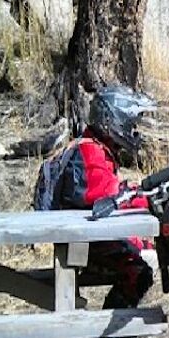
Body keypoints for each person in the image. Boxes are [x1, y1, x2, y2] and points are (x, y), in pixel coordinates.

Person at [53, 86, 158, 312]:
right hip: (82, 239)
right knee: (141, 264)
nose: (133, 131)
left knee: (149, 248)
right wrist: (145, 197)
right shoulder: (91, 152)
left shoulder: (96, 146)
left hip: (86, 233)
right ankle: (107, 336)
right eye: (130, 124)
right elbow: (109, 196)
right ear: (112, 121)